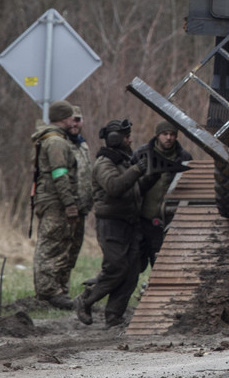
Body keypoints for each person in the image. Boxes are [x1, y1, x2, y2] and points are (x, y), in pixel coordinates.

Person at [75, 119, 145, 328]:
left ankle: (114, 316)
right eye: (126, 136)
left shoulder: (124, 161)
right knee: (116, 267)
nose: (130, 139)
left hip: (129, 222)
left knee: (131, 271)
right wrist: (137, 170)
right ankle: (85, 300)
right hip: (111, 223)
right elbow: (114, 187)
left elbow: (134, 188)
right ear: (116, 139)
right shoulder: (104, 163)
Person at [30, 99, 83, 309]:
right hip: (55, 201)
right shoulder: (57, 142)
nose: (74, 121)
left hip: (50, 198)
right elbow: (60, 174)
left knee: (57, 244)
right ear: (64, 118)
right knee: (52, 245)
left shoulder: (52, 139)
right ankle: (49, 292)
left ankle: (54, 290)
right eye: (71, 117)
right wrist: (69, 202)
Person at [133, 120, 192, 270]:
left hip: (166, 222)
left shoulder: (184, 158)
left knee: (160, 265)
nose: (169, 138)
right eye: (165, 134)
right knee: (134, 265)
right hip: (141, 219)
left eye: (172, 134)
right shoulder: (142, 154)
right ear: (158, 135)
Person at [64, 105, 94, 286]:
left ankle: (64, 285)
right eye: (72, 119)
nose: (75, 124)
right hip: (67, 207)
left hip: (82, 207)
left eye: (78, 120)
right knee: (61, 250)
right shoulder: (61, 144)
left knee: (74, 249)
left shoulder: (83, 144)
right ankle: (54, 290)